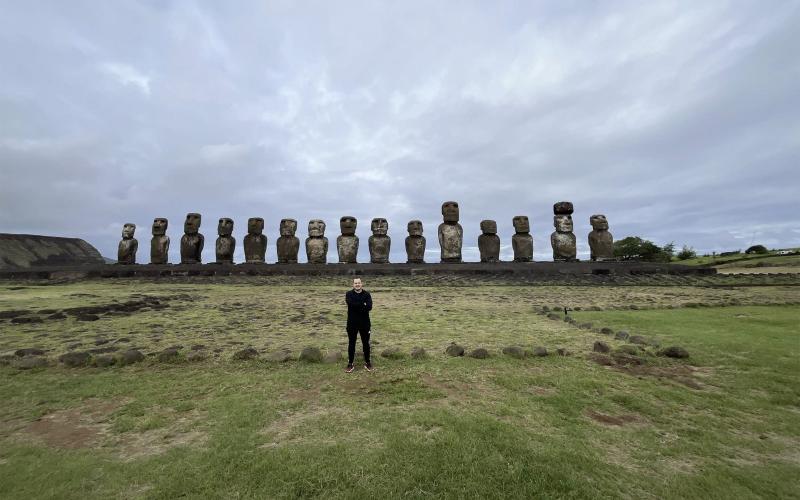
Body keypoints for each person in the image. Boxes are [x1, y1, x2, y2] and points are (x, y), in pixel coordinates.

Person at [345, 277, 372, 372]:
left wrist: (357, 305)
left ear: (362, 284)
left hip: (365, 324)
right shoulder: (348, 294)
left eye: (359, 283)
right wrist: (363, 304)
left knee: (366, 344)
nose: (357, 284)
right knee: (351, 344)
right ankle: (350, 363)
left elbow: (369, 307)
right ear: (353, 285)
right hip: (352, 323)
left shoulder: (367, 294)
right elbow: (350, 304)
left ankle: (368, 362)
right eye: (355, 283)